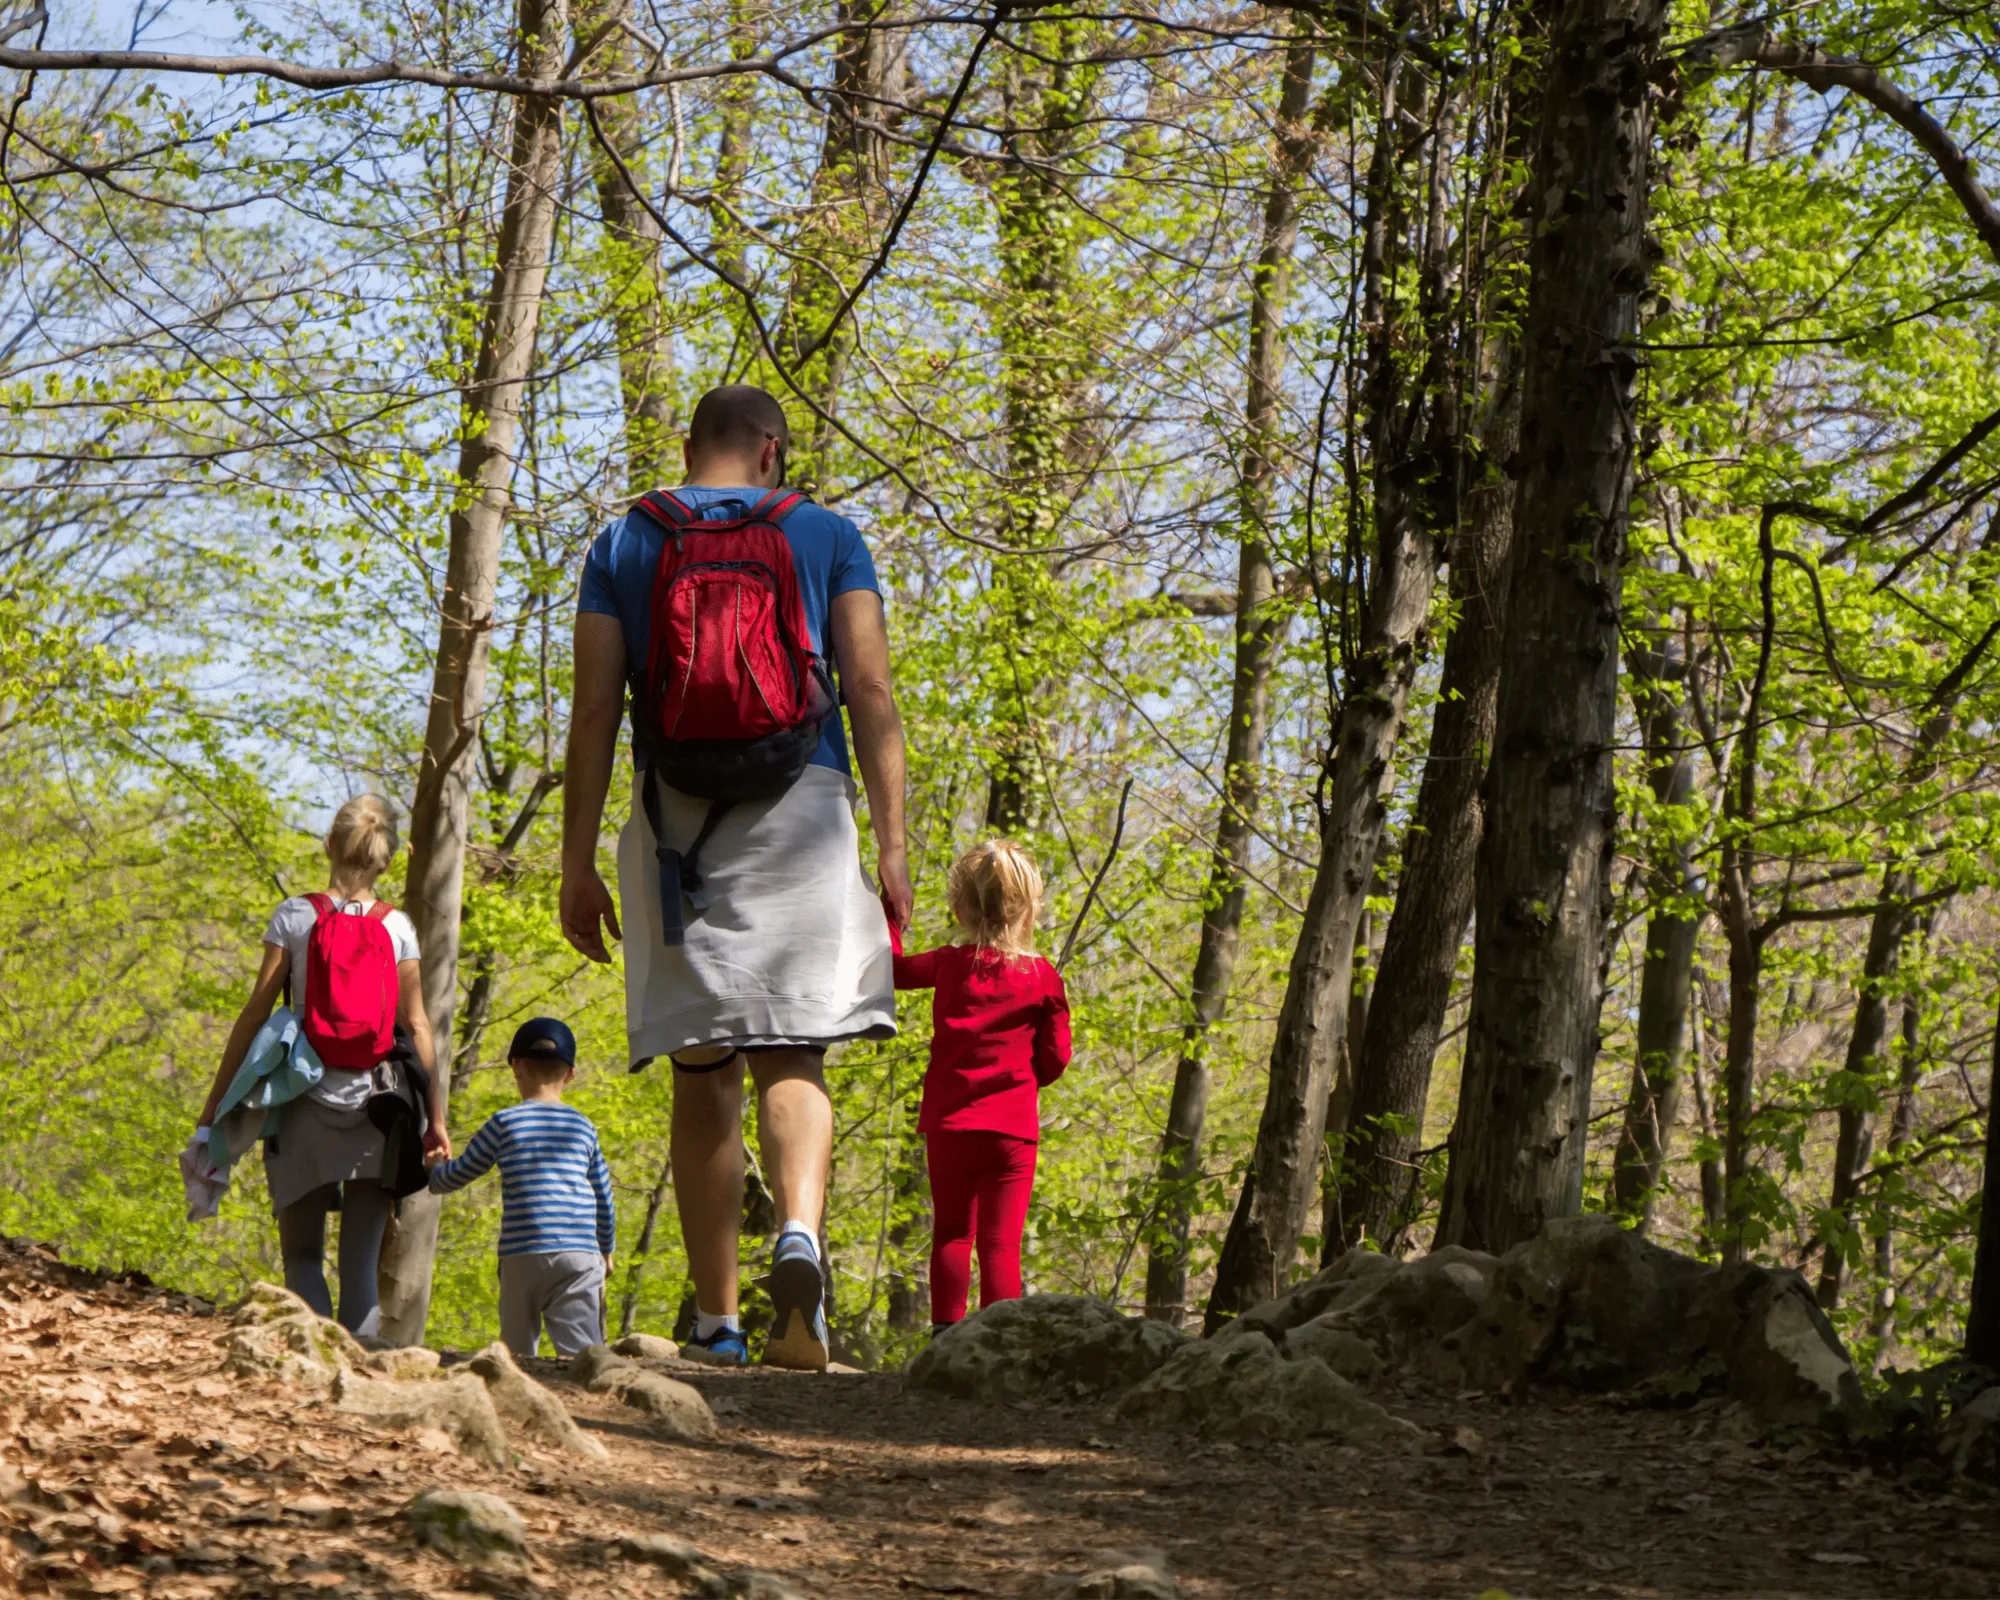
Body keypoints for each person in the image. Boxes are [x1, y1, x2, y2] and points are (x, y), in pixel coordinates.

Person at [559, 383, 911, 1372]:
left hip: (680, 826)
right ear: (771, 451)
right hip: (803, 805)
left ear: (689, 446)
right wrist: (890, 845)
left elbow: (594, 709)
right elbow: (870, 687)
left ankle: (717, 1321)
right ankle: (797, 1238)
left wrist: (577, 861)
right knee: (794, 1056)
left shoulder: (625, 541)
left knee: (702, 1071)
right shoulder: (825, 534)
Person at [195, 795, 448, 1337]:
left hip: (301, 1103)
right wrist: (436, 1120)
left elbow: (255, 1013)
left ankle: (314, 1374)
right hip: (379, 1111)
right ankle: (360, 1380)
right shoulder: (397, 926)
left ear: (328, 845)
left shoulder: (294, 916)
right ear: (388, 859)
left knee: (303, 1258)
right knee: (359, 1267)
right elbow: (419, 1026)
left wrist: (215, 1104)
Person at [890, 840, 1071, 1334]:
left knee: (951, 1233)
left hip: (950, 1124)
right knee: (1000, 1243)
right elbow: (1055, 1060)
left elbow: (894, 971)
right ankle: (999, 1340)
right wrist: (1025, 1076)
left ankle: (945, 1334)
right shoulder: (1042, 978)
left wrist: (890, 918)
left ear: (960, 907)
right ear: (1030, 907)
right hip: (1011, 1132)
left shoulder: (948, 963)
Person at [425, 1017, 616, 1359]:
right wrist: (606, 1248)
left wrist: (433, 1167)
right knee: (583, 1355)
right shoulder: (583, 1127)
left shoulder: (504, 1123)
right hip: (580, 1253)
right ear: (570, 1073)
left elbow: (454, 1177)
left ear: (516, 1067)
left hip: (522, 1252)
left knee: (517, 1355)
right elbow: (603, 1195)